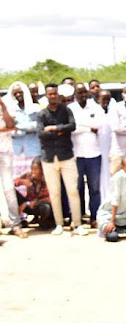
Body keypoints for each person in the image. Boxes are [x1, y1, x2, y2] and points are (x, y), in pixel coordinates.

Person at [37, 84, 87, 236]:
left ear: (58, 95)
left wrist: (53, 128)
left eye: (55, 94)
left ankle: (77, 224)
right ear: (46, 96)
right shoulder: (41, 114)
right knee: (55, 193)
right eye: (50, 94)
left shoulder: (66, 110)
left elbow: (72, 126)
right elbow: (40, 134)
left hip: (67, 156)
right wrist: (60, 131)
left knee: (73, 191)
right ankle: (59, 224)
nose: (53, 96)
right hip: (49, 158)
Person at [69, 83, 105, 227]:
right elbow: (71, 128)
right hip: (76, 154)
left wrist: (82, 125)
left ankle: (94, 217)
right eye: (79, 93)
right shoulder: (70, 108)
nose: (82, 95)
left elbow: (99, 124)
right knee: (77, 188)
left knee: (94, 188)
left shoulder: (95, 107)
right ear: (75, 94)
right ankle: (78, 217)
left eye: (84, 92)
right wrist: (89, 127)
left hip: (94, 154)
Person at [96, 156, 126, 242]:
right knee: (113, 238)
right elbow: (115, 199)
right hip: (110, 215)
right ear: (123, 167)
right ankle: (108, 228)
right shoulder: (118, 177)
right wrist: (112, 222)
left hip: (123, 217)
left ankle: (119, 228)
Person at [0, 96, 26, 237]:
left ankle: (15, 224)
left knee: (9, 189)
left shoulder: (6, 103)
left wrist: (3, 106)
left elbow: (11, 125)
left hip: (5, 152)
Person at [5, 82, 41, 178]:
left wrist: (20, 127)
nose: (18, 95)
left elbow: (38, 125)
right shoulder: (10, 110)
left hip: (33, 149)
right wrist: (26, 129)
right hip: (17, 151)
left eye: (20, 92)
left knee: (34, 178)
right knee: (18, 180)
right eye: (15, 93)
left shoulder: (35, 108)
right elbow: (9, 129)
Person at [14, 158, 53, 229]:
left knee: (46, 207)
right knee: (12, 192)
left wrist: (31, 203)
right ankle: (18, 220)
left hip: (39, 206)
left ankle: (43, 221)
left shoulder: (48, 179)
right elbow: (14, 182)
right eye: (32, 169)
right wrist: (22, 181)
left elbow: (49, 198)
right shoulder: (28, 176)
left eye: (36, 169)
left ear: (42, 170)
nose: (33, 172)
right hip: (28, 205)